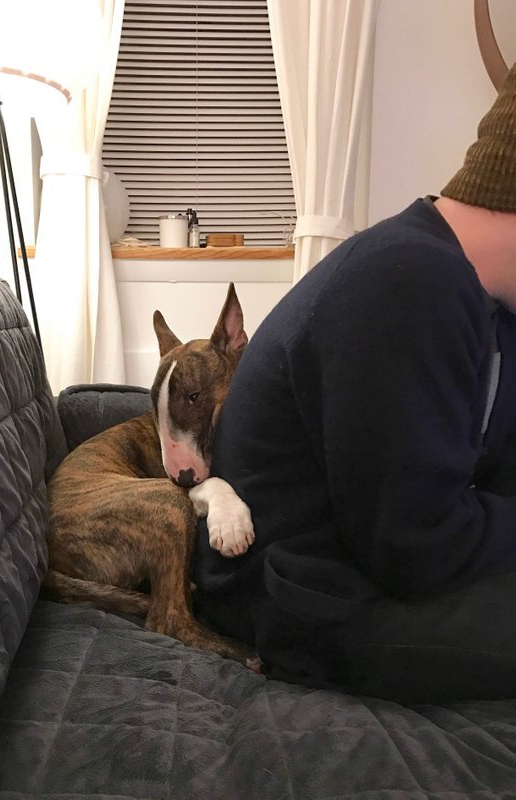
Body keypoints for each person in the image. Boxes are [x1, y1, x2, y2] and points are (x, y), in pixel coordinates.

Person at [192, 63, 516, 704]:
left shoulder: (489, 303)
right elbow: (415, 546)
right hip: (300, 594)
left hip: (374, 560)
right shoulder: (408, 281)